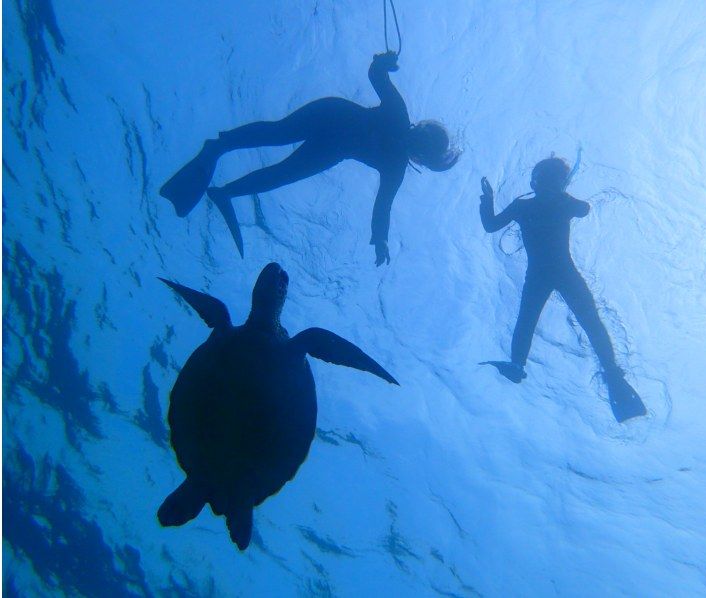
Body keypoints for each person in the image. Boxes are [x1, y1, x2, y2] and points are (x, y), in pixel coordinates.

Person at [160, 51, 460, 262]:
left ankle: (225, 192)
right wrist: (382, 62)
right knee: (279, 134)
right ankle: (219, 147)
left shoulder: (396, 166)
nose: (416, 141)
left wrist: (379, 238)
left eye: (422, 146)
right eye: (422, 136)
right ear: (420, 129)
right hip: (331, 115)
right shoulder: (398, 114)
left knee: (281, 174)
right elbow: (376, 76)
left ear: (421, 158)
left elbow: (383, 206)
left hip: (332, 149)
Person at [479, 157, 646, 422]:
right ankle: (611, 371)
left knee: (529, 319)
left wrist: (487, 199)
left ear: (536, 180)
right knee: (590, 321)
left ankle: (517, 363)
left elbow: (490, 225)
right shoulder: (561, 202)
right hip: (564, 271)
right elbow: (585, 209)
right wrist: (563, 194)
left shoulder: (524, 206)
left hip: (539, 273)